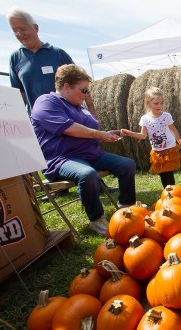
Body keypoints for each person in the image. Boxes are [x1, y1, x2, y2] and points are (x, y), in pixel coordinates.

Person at [30, 64, 137, 235]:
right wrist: (98, 134)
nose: (87, 95)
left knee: (127, 164)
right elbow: (69, 128)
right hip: (62, 159)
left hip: (91, 155)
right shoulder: (46, 102)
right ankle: (96, 219)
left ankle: (126, 206)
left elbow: (89, 131)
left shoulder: (78, 106)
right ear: (66, 86)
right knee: (87, 174)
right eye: (84, 90)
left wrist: (105, 134)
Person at [7, 7, 96, 116]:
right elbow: (19, 94)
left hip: (67, 119)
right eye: (15, 30)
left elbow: (82, 83)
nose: (19, 34)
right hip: (37, 122)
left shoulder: (58, 54)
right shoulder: (15, 58)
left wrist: (92, 112)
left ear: (35, 28)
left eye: (23, 29)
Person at [120, 87, 181, 188]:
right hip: (157, 151)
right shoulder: (145, 119)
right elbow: (143, 136)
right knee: (162, 173)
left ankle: (173, 193)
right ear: (148, 103)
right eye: (156, 103)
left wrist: (180, 141)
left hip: (169, 148)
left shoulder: (166, 116)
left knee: (168, 173)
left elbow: (173, 129)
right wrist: (130, 133)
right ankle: (167, 192)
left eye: (161, 103)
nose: (159, 105)